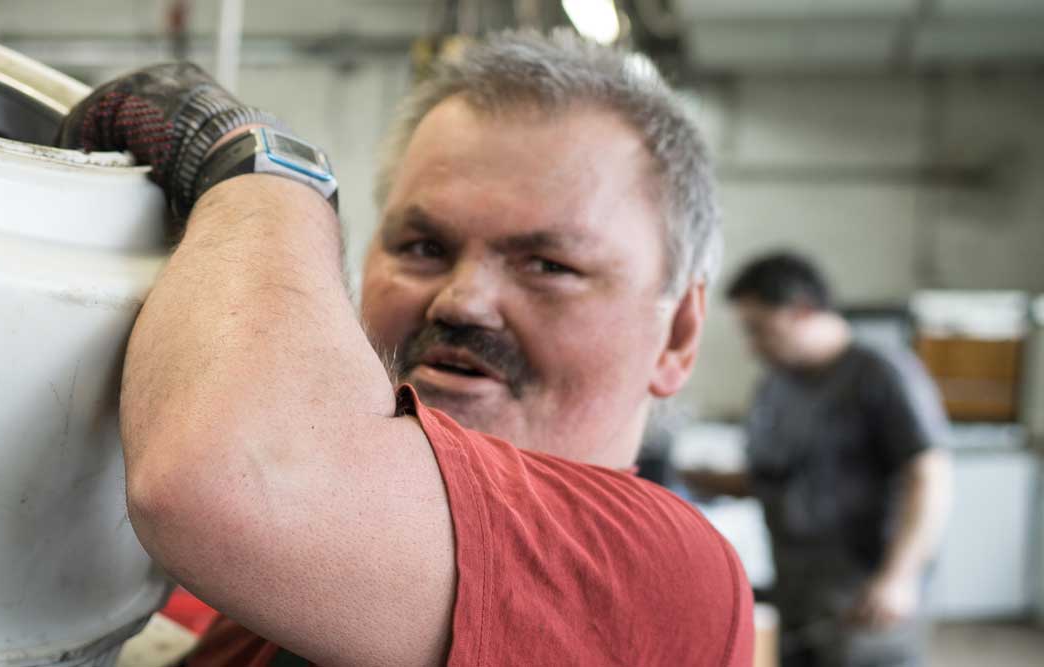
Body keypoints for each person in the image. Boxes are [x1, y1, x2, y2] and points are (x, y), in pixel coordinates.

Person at [56, 29, 751, 666]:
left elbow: (229, 476)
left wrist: (262, 167)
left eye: (548, 265)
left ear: (681, 332)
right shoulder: (284, 599)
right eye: (423, 248)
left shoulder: (670, 575)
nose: (462, 300)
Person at [686, 252, 952, 666]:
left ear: (803, 310)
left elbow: (928, 476)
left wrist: (899, 578)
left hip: (864, 596)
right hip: (797, 590)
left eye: (760, 330)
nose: (752, 347)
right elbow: (772, 478)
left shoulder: (881, 374)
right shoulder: (775, 387)